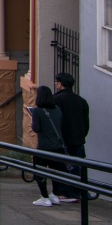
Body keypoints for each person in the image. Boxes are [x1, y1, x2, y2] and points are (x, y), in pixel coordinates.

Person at [52, 72, 89, 203]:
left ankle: (64, 192)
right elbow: (86, 123)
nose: (55, 84)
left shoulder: (55, 100)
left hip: (62, 140)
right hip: (78, 140)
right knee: (77, 167)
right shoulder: (81, 100)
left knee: (61, 167)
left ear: (60, 84)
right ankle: (78, 191)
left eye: (56, 82)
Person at [28, 86, 66, 207]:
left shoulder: (37, 111)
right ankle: (54, 195)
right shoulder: (58, 109)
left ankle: (44, 197)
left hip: (44, 147)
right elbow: (60, 124)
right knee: (56, 173)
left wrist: (32, 117)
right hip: (58, 147)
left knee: (40, 173)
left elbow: (36, 128)